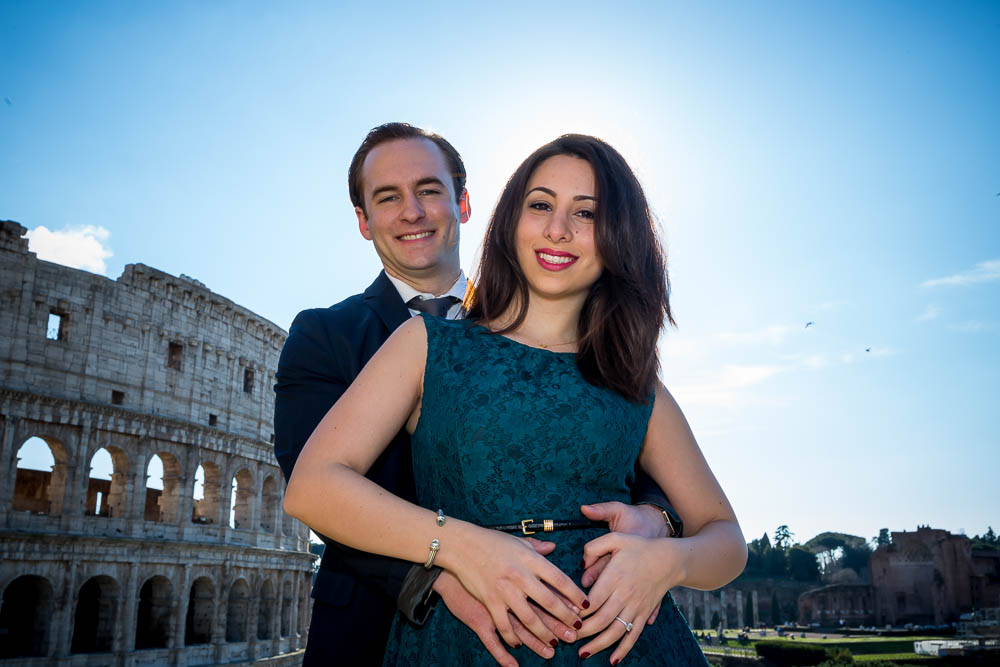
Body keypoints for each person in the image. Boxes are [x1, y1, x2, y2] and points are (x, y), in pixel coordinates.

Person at [283, 133, 747, 665]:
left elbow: (726, 538)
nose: (558, 229)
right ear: (510, 219)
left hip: (633, 647)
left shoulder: (637, 382)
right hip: (462, 641)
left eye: (588, 213)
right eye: (541, 204)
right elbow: (313, 486)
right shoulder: (424, 344)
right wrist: (459, 548)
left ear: (620, 236)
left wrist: (667, 561)